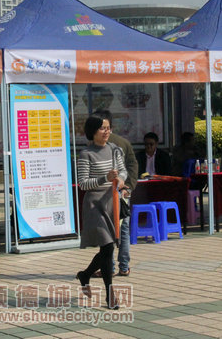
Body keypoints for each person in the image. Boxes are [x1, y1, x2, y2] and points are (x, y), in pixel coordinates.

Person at [76, 114, 127, 310]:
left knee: (107, 249)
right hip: (94, 205)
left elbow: (123, 170)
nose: (107, 132)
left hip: (112, 202)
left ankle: (85, 275)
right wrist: (104, 178)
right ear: (93, 131)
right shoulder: (86, 154)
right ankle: (110, 295)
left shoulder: (115, 149)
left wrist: (120, 180)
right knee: (107, 246)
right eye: (102, 128)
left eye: (108, 128)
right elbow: (83, 184)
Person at [92, 110, 138, 278]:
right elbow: (133, 166)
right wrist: (128, 187)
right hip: (121, 192)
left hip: (106, 194)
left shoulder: (98, 145)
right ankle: (124, 267)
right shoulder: (123, 142)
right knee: (123, 230)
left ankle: (109, 268)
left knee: (107, 232)